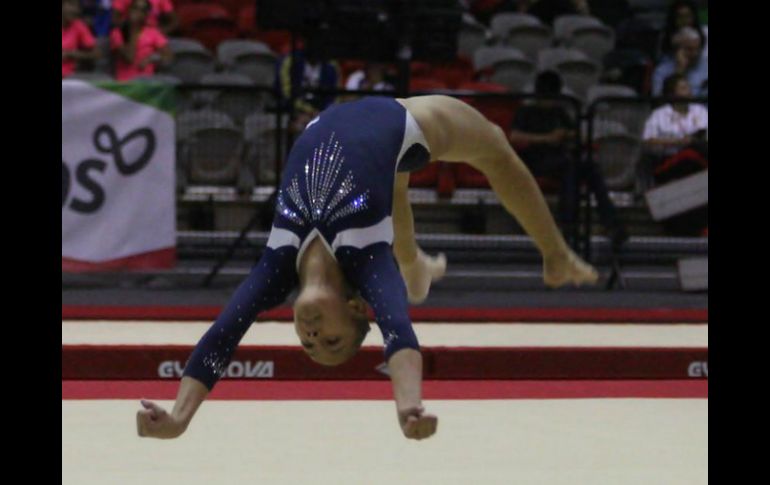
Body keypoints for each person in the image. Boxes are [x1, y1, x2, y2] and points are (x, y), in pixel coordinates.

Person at [135, 95, 599, 442]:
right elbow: (399, 332)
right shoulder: (367, 261)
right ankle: (554, 256)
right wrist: (409, 405)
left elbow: (221, 337)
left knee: (395, 197)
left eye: (307, 343)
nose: (313, 334)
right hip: (406, 121)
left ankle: (417, 267)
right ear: (359, 307)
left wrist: (178, 418)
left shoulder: (277, 268)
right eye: (331, 340)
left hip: (356, 138)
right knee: (495, 146)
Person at [509, 71, 627, 248]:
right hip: (534, 160)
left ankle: (611, 223)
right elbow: (514, 136)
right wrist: (547, 138)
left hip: (561, 158)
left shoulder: (560, 112)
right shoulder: (526, 111)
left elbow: (575, 133)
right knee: (570, 167)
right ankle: (569, 224)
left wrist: (567, 135)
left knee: (590, 167)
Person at [109, 0, 172, 81]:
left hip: (147, 82)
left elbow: (168, 56)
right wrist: (133, 29)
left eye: (141, 10)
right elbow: (129, 58)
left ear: (146, 15)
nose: (137, 12)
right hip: (125, 83)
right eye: (134, 8)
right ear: (129, 10)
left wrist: (151, 58)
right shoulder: (117, 33)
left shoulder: (153, 32)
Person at [652, 27, 708, 97]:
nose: (695, 53)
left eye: (698, 49)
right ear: (677, 50)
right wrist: (679, 71)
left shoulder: (706, 66)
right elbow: (659, 103)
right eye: (689, 49)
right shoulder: (661, 72)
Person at [62, 0, 99, 78]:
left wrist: (71, 54)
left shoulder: (79, 26)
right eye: (71, 4)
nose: (75, 10)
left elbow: (97, 54)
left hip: (70, 78)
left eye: (77, 6)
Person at [111, 0, 179, 35]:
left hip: (152, 38)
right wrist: (128, 28)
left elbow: (175, 22)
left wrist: (158, 33)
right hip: (129, 35)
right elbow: (114, 19)